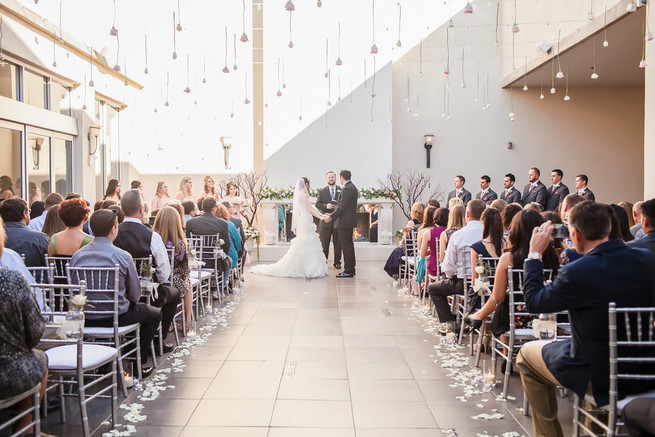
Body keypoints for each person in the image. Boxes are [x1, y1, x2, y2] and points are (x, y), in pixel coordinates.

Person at [515, 202, 655, 437]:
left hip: (597, 373)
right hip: (646, 369)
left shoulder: (578, 271)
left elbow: (535, 302)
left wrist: (534, 254)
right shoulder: (648, 261)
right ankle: (593, 428)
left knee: (525, 356)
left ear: (576, 235)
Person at [71, 209, 161, 375]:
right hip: (118, 316)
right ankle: (137, 363)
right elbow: (135, 295)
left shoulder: (77, 256)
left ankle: (106, 358)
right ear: (113, 229)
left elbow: (75, 291)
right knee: (155, 313)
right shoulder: (122, 256)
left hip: (86, 317)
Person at [112, 190, 179, 352]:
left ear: (122, 211)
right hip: (149, 294)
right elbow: (164, 272)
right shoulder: (152, 236)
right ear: (142, 210)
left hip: (118, 293)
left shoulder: (112, 233)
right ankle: (158, 340)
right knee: (174, 293)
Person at [0, 222, 48, 436]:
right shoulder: (10, 279)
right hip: (8, 371)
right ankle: (25, 428)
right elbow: (35, 333)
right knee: (40, 358)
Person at [251, 177, 327, 278]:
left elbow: (310, 208)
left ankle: (304, 266)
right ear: (306, 185)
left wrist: (322, 215)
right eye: (308, 184)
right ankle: (309, 267)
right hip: (305, 219)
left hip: (302, 219)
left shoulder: (299, 194)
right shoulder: (304, 195)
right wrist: (321, 217)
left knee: (304, 242)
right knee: (307, 241)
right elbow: (310, 209)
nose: (308, 187)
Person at [428, 200, 485, 324]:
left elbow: (449, 265)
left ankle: (451, 322)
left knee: (433, 288)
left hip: (463, 282)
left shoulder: (458, 235)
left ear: (468, 214)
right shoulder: (489, 233)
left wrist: (449, 276)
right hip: (487, 283)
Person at [153, 206, 192, 331]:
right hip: (173, 283)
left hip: (155, 281)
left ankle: (169, 322)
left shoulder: (152, 241)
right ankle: (188, 321)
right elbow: (184, 270)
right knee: (188, 283)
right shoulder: (179, 244)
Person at [325, 170, 359, 278]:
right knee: (349, 246)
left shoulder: (347, 189)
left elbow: (342, 208)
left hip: (344, 223)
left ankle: (348, 270)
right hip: (347, 222)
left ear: (341, 177)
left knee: (347, 247)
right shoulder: (351, 187)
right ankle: (351, 269)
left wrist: (330, 217)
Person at [0, 198, 48, 267]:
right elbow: (49, 263)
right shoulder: (40, 238)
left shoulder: (40, 237)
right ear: (24, 214)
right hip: (34, 276)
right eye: (28, 211)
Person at [315, 171, 342, 268]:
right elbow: (317, 204)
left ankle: (337, 262)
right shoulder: (322, 191)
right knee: (324, 243)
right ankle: (324, 261)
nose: (331, 179)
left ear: (335, 178)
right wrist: (326, 205)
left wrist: (336, 208)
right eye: (329, 177)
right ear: (326, 179)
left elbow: (343, 204)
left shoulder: (341, 189)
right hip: (325, 221)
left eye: (333, 177)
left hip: (337, 221)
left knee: (338, 243)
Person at [420, 207, 449, 277]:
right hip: (447, 267)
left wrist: (432, 251)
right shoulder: (449, 232)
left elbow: (422, 254)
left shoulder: (428, 233)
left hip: (433, 266)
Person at [215, 203, 242, 270]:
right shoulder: (230, 225)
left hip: (213, 257)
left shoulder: (211, 225)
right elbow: (238, 244)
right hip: (229, 255)